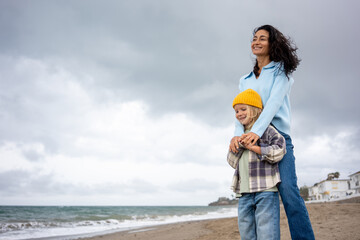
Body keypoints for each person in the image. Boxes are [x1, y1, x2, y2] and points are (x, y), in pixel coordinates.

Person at [229, 25, 315, 239]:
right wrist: (236, 135)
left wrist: (256, 132)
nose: (256, 41)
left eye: (263, 38)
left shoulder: (282, 72)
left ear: (272, 43)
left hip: (278, 139)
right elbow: (241, 111)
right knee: (255, 194)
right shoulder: (245, 80)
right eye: (254, 38)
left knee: (289, 193)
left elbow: (273, 105)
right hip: (250, 138)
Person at [227, 89, 286, 240]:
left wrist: (254, 147)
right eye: (236, 111)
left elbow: (280, 150)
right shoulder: (238, 136)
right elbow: (231, 162)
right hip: (244, 193)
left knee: (267, 233)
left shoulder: (266, 131)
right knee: (246, 234)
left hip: (266, 190)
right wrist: (238, 145)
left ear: (254, 110)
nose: (239, 114)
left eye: (242, 109)